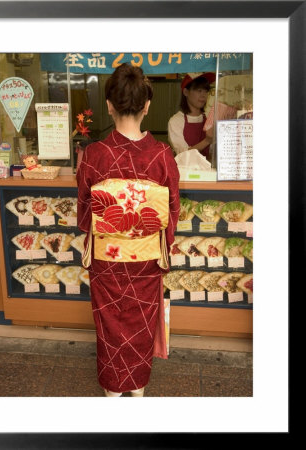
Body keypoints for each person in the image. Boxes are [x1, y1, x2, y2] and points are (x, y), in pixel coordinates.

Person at [76, 63, 180, 397]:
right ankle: (137, 389)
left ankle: (112, 391)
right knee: (140, 322)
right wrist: (159, 240)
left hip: (107, 258)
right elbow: (172, 210)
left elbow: (84, 213)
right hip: (147, 258)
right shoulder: (163, 155)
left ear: (109, 104)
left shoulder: (93, 155)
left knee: (109, 323)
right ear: (147, 106)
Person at [167, 72, 216, 161]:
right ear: (186, 92)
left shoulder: (209, 118)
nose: (203, 95)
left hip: (208, 172)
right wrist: (207, 140)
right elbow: (183, 154)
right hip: (185, 172)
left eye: (206, 91)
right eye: (199, 90)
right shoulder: (176, 121)